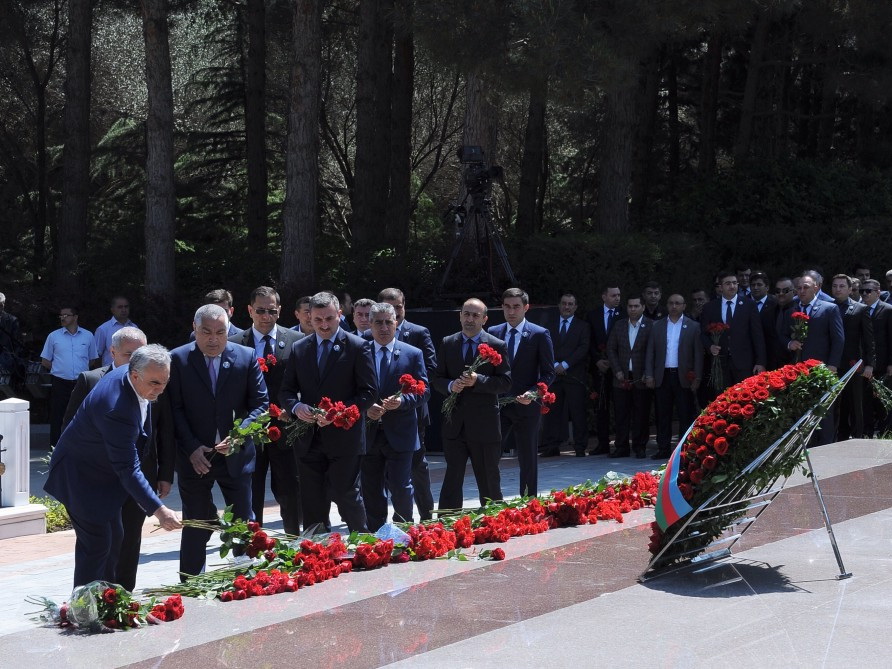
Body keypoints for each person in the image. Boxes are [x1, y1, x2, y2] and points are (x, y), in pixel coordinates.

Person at [44, 344, 181, 588]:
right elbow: (128, 468)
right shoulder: (116, 409)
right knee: (97, 545)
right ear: (135, 374)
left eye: (164, 382)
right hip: (81, 478)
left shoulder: (132, 376)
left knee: (115, 537)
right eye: (154, 383)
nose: (160, 390)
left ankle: (107, 599)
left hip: (102, 475)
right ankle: (85, 611)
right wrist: (160, 511)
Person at [169, 304, 268, 578]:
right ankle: (190, 582)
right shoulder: (177, 360)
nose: (213, 339)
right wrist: (190, 448)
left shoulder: (245, 357)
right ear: (195, 329)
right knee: (197, 521)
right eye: (206, 332)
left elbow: (261, 405)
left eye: (220, 332)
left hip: (235, 455)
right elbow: (173, 409)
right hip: (195, 457)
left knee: (242, 522)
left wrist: (238, 437)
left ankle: (246, 577)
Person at [279, 292, 375, 532]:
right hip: (309, 438)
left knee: (346, 494)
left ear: (340, 316)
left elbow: (368, 393)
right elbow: (286, 391)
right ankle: (317, 552)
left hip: (345, 437)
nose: (323, 325)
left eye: (329, 319)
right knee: (312, 499)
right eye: (318, 319)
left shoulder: (357, 346)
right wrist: (297, 407)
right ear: (309, 317)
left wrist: (337, 414)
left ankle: (362, 543)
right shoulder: (300, 348)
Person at [230, 286, 304, 534]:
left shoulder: (296, 341)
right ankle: (253, 542)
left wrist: (293, 409)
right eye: (260, 310)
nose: (266, 316)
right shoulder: (235, 344)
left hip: (285, 427)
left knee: (289, 489)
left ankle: (294, 538)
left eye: (272, 311)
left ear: (280, 311)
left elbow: (303, 384)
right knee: (250, 489)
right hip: (250, 429)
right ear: (250, 310)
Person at [433, 298, 511, 509]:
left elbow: (505, 382)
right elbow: (437, 378)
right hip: (455, 425)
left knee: (488, 479)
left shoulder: (496, 345)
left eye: (475, 315)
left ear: (484, 319)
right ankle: (447, 522)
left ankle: (494, 520)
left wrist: (479, 380)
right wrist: (450, 386)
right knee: (452, 479)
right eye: (466, 314)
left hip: (484, 425)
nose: (470, 319)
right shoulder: (448, 343)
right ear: (460, 316)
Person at [363, 302, 429, 530]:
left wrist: (403, 401)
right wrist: (365, 407)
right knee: (370, 488)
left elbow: (424, 391)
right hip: (368, 434)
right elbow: (350, 389)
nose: (383, 327)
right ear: (369, 324)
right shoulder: (359, 351)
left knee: (401, 487)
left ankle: (403, 532)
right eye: (378, 322)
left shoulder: (412, 354)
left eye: (388, 322)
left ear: (396, 323)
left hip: (401, 432)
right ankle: (375, 534)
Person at [377, 287, 438, 521]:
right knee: (382, 473)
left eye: (398, 307)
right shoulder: (369, 337)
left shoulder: (418, 333)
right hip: (378, 417)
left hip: (411, 414)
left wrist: (402, 394)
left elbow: (429, 369)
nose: (395, 312)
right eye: (389, 307)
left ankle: (426, 514)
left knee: (416, 469)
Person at [488, 288, 555, 496]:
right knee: (490, 455)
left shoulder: (539, 334)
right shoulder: (493, 333)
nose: (511, 311)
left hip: (526, 406)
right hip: (499, 405)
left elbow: (548, 373)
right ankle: (492, 499)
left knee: (527, 458)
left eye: (516, 306)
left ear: (526, 308)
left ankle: (528, 502)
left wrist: (533, 394)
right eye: (507, 306)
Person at [781, 274, 844, 445]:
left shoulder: (829, 308)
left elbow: (838, 339)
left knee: (824, 411)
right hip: (797, 370)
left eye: (806, 287)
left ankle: (826, 446)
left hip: (822, 368)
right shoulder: (791, 310)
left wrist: (832, 364)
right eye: (799, 288)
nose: (802, 291)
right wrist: (789, 343)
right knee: (802, 409)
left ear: (816, 287)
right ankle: (806, 445)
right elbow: (781, 335)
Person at [644, 294, 702, 458]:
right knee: (663, 414)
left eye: (678, 303)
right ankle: (663, 449)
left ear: (684, 306)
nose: (674, 306)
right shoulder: (657, 326)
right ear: (667, 306)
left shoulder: (693, 326)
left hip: (684, 376)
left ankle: (684, 450)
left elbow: (698, 354)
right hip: (663, 376)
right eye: (671, 303)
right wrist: (649, 374)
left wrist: (697, 377)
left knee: (685, 414)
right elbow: (650, 352)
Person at [41, 305, 99, 446]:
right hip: (60, 382)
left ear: (75, 317)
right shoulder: (53, 336)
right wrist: (61, 369)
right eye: (61, 315)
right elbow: (45, 361)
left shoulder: (88, 335)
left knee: (82, 414)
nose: (63, 317)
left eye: (66, 315)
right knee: (57, 416)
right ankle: (55, 449)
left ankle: (81, 446)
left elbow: (92, 359)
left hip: (81, 382)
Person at [699, 270, 766, 391]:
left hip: (744, 363)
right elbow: (703, 334)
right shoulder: (710, 307)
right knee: (722, 400)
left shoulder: (749, 305)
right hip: (720, 363)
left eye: (735, 283)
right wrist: (710, 346)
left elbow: (757, 335)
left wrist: (760, 361)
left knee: (744, 399)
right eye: (728, 283)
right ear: (721, 286)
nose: (732, 286)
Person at [541, 292, 590, 456]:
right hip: (554, 376)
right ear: (559, 305)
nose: (567, 307)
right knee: (552, 412)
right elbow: (545, 347)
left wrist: (566, 364)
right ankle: (551, 446)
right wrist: (555, 364)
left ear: (575, 307)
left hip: (574, 375)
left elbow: (583, 348)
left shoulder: (583, 326)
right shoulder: (549, 325)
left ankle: (580, 447)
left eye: (570, 304)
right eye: (564, 303)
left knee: (578, 412)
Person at [607, 296, 653, 458]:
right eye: (630, 306)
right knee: (621, 413)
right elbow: (611, 349)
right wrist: (617, 370)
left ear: (642, 307)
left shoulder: (651, 326)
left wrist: (649, 373)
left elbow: (653, 352)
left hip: (641, 377)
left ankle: (640, 446)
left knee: (641, 413)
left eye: (636, 306)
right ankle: (621, 447)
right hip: (621, 377)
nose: (633, 309)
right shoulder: (619, 325)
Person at [830, 274, 874, 440]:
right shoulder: (827, 307)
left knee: (855, 403)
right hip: (832, 364)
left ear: (850, 289)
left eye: (842, 286)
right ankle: (836, 437)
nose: (838, 289)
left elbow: (869, 340)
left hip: (853, 364)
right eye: (835, 286)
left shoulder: (860, 309)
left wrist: (870, 364)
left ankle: (858, 436)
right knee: (835, 405)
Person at [585, 284, 621, 456]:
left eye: (619, 295)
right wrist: (598, 359)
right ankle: (603, 443)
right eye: (613, 295)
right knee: (601, 407)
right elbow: (588, 341)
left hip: (618, 368)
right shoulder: (593, 315)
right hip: (599, 368)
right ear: (604, 296)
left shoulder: (624, 314)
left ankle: (622, 443)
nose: (617, 298)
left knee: (621, 406)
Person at [859, 280, 892, 436]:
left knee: (882, 401)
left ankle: (885, 432)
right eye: (862, 291)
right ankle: (868, 431)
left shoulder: (887, 310)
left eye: (868, 291)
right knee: (866, 401)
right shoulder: (859, 310)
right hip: (864, 363)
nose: (864, 294)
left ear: (878, 292)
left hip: (883, 364)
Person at [750, 272, 783, 370]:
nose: (755, 287)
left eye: (759, 284)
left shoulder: (776, 304)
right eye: (753, 285)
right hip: (748, 355)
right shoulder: (744, 303)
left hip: (771, 355)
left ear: (767, 287)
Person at [94, 296, 137, 366]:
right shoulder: (103, 329)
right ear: (112, 310)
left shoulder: (134, 327)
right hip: (110, 372)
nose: (124, 310)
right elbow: (96, 356)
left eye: (126, 307)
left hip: (131, 371)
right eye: (120, 307)